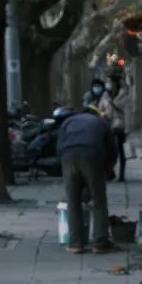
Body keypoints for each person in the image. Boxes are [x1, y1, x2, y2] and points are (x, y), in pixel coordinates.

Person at [57, 106, 116, 255]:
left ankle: (76, 244)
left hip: (68, 156)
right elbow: (112, 150)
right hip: (91, 154)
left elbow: (58, 147)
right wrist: (107, 170)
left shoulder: (68, 121)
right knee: (98, 201)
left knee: (73, 201)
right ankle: (100, 243)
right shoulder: (101, 123)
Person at [98, 77, 128, 181]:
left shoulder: (123, 95)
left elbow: (127, 112)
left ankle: (122, 175)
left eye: (110, 82)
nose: (108, 84)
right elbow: (100, 109)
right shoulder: (105, 95)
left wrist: (126, 128)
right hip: (107, 126)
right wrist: (103, 114)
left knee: (119, 151)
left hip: (119, 126)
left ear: (115, 83)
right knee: (108, 151)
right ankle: (110, 172)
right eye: (107, 82)